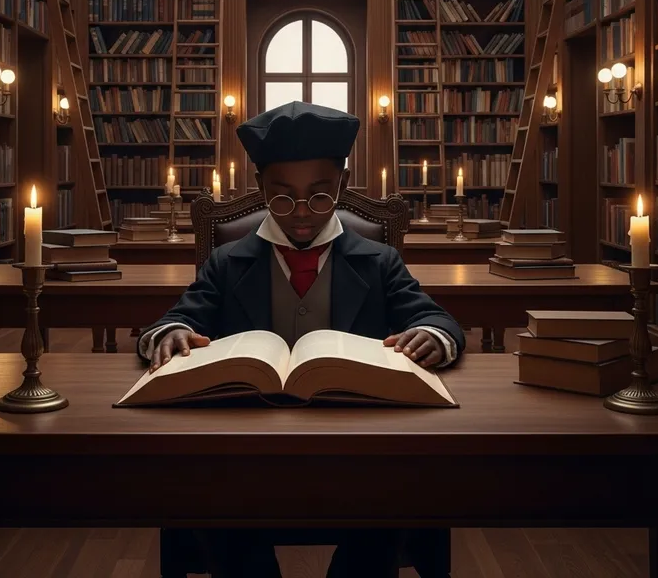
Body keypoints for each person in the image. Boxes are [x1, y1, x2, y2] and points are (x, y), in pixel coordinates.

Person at [138, 101, 465, 578]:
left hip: (357, 444)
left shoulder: (379, 261)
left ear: (343, 187)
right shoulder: (229, 261)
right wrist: (171, 334)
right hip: (246, 447)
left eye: (319, 197)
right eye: (282, 198)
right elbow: (172, 320)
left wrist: (432, 335)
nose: (302, 215)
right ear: (260, 191)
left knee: (386, 510)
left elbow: (436, 318)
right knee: (220, 512)